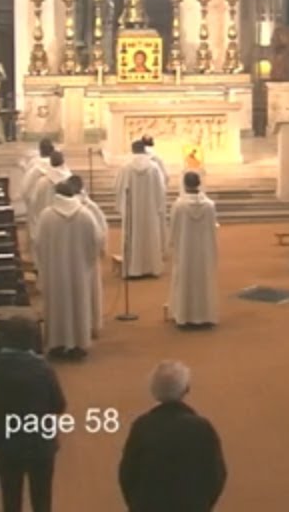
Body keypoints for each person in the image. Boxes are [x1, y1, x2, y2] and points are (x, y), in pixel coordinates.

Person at [119, 361, 226, 512]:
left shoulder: (142, 426)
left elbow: (127, 472)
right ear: (186, 389)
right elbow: (216, 474)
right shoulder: (202, 428)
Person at [0, 318, 66, 512]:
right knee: (42, 499)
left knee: (11, 497)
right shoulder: (43, 369)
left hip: (7, 442)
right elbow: (59, 405)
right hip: (40, 444)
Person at [33, 182, 102, 359]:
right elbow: (96, 241)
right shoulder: (85, 215)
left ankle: (57, 343)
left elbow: (38, 243)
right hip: (79, 270)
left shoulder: (46, 216)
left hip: (54, 271)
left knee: (57, 305)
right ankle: (79, 343)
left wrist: (45, 264)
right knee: (79, 303)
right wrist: (87, 262)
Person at [169, 173, 219, 327]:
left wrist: (172, 244)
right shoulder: (210, 205)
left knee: (185, 279)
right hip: (204, 250)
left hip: (185, 250)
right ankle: (205, 315)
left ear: (184, 184)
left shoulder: (179, 205)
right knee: (203, 279)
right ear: (199, 184)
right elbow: (213, 228)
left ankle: (184, 315)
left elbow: (173, 229)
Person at [114, 140, 168, 278]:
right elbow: (161, 189)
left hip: (132, 210)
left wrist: (122, 205)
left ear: (132, 150)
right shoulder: (154, 167)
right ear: (144, 149)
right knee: (151, 234)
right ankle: (152, 268)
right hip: (150, 210)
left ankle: (133, 269)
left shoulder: (126, 167)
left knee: (132, 235)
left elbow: (117, 186)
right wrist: (158, 206)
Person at [67, 175, 106, 338]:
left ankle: (68, 329)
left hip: (65, 262)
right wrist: (99, 251)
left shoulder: (50, 213)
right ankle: (90, 325)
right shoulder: (90, 209)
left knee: (68, 295)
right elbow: (101, 233)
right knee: (88, 294)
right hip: (87, 261)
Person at [27, 150, 71, 232]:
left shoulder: (42, 182)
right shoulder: (70, 181)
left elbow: (33, 202)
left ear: (50, 163)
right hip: (66, 226)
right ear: (63, 162)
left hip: (46, 225)